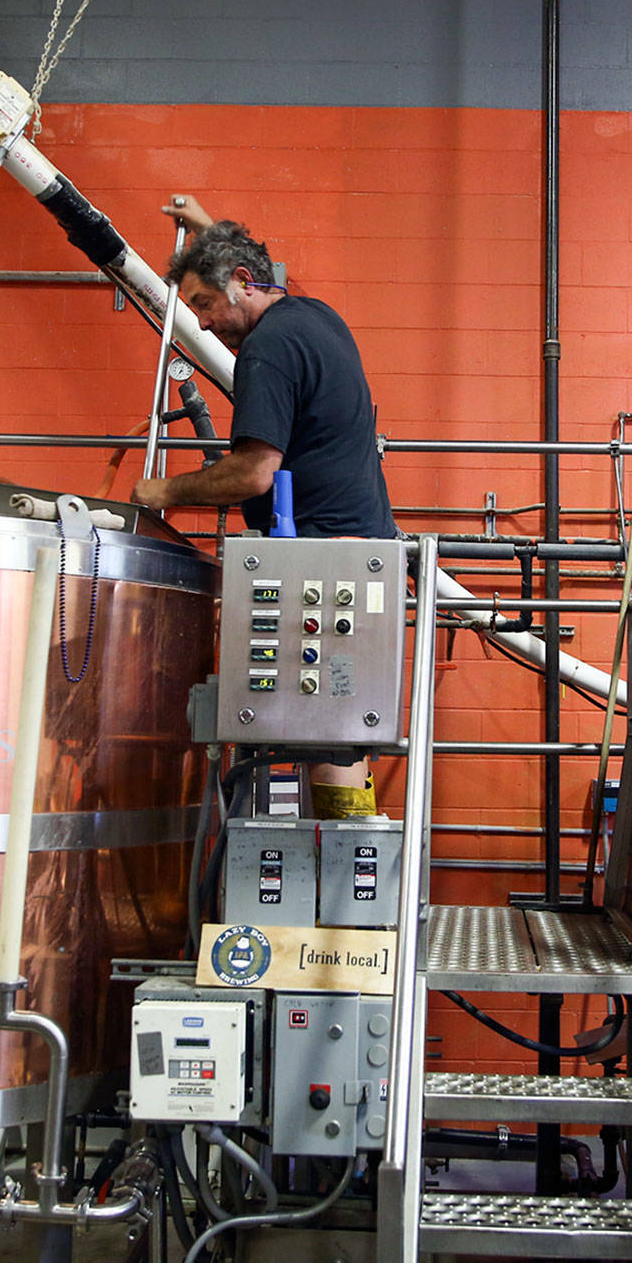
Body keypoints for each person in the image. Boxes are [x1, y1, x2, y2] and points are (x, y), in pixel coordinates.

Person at [133, 198, 396, 815]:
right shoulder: (315, 316)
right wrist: (206, 229)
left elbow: (254, 473)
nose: (201, 324)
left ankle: (330, 878)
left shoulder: (266, 349)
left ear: (243, 285)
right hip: (359, 555)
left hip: (322, 556)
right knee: (335, 725)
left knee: (323, 722)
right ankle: (329, 879)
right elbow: (256, 265)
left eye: (203, 304)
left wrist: (164, 491)